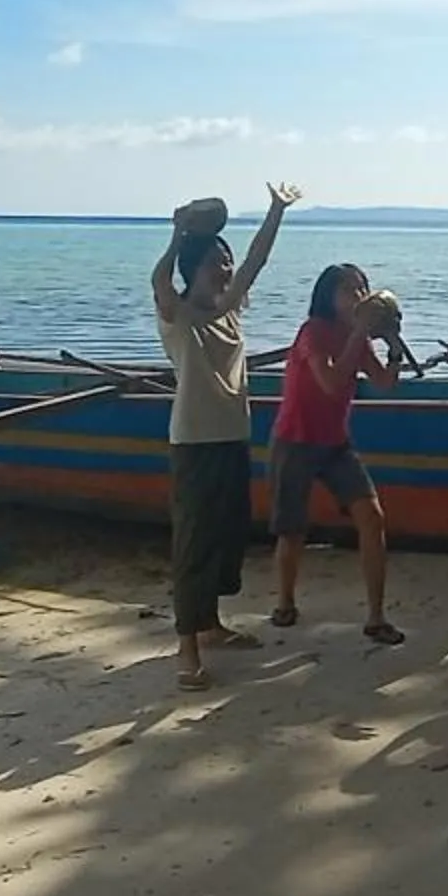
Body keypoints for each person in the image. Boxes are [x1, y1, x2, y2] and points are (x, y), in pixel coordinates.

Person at [151, 184, 299, 690]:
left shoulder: (228, 310)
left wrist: (276, 210)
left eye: (227, 260)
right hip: (194, 442)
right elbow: (159, 280)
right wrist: (177, 234)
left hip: (233, 437)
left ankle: (210, 626)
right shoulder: (178, 315)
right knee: (194, 542)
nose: (227, 268)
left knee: (227, 537)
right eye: (217, 261)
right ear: (194, 268)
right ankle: (187, 648)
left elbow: (256, 261)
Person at [269, 262, 407, 644]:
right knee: (292, 530)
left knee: (372, 518)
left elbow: (384, 383)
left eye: (362, 287)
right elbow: (330, 382)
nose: (358, 295)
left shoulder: (356, 338)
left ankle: (376, 617)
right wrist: (360, 333)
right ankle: (285, 603)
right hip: (295, 440)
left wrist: (394, 347)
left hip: (334, 443)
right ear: (328, 297)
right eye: (348, 289)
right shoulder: (313, 331)